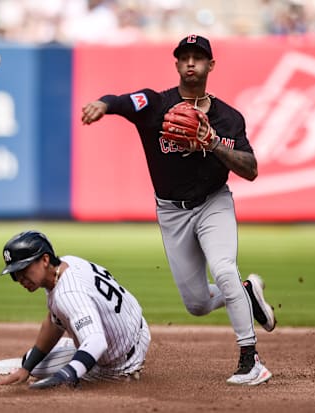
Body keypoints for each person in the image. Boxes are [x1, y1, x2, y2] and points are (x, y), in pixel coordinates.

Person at [81, 34, 276, 386]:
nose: (190, 63)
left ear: (210, 66)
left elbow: (251, 169)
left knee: (224, 269)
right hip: (172, 212)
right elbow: (123, 101)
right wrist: (103, 104)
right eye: (184, 57)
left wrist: (213, 142)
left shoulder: (229, 118)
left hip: (214, 202)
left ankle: (251, 359)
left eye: (198, 58)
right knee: (198, 304)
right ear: (176, 64)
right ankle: (247, 293)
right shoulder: (156, 104)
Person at [0, 230, 150, 389]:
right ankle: (82, 335)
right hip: (135, 332)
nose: (20, 279)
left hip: (119, 364)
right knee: (32, 361)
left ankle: (123, 371)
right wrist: (26, 368)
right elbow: (54, 320)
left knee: (51, 368)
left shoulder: (68, 293)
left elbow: (97, 341)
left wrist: (67, 374)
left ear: (45, 259)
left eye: (23, 269)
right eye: (15, 274)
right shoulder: (68, 263)